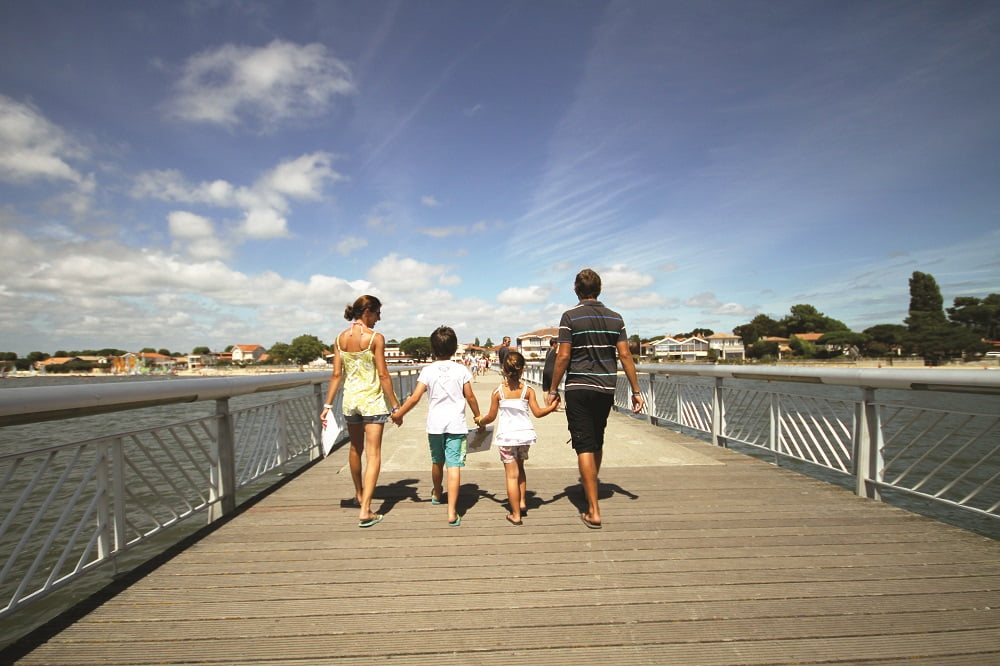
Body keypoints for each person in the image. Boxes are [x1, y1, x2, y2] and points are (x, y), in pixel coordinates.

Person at [546, 269, 645, 529]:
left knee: (584, 444)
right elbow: (625, 356)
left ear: (576, 290)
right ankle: (592, 485)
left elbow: (563, 356)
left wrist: (553, 388)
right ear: (599, 289)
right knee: (597, 439)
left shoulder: (570, 317)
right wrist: (636, 391)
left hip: (579, 387)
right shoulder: (616, 318)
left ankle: (593, 509)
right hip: (606, 388)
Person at [321, 295, 401, 528]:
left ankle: (359, 495)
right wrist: (395, 405)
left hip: (350, 402)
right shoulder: (375, 338)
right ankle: (366, 509)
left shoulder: (340, 338)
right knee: (373, 454)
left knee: (355, 449)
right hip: (372, 402)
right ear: (367, 312)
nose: (379, 318)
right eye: (377, 313)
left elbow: (336, 375)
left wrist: (327, 406)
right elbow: (384, 375)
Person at [391, 326, 483, 526]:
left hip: (435, 425)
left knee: (437, 461)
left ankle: (437, 492)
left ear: (432, 348)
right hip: (456, 426)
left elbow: (415, 397)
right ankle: (452, 512)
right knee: (454, 466)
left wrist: (399, 414)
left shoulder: (427, 370)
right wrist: (478, 416)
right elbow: (470, 396)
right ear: (453, 348)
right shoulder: (461, 370)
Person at [476, 351, 559, 525]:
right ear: (522, 371)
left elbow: (491, 417)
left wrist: (480, 420)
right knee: (520, 469)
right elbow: (537, 413)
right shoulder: (528, 391)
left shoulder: (498, 392)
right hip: (524, 436)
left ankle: (515, 514)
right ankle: (521, 502)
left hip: (507, 438)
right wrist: (551, 408)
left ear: (504, 370)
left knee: (511, 476)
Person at [542, 337, 559, 402]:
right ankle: (556, 406)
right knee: (554, 389)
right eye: (557, 343)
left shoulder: (548, 351)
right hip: (551, 371)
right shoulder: (556, 351)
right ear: (554, 344)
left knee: (546, 390)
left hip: (545, 371)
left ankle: (547, 405)